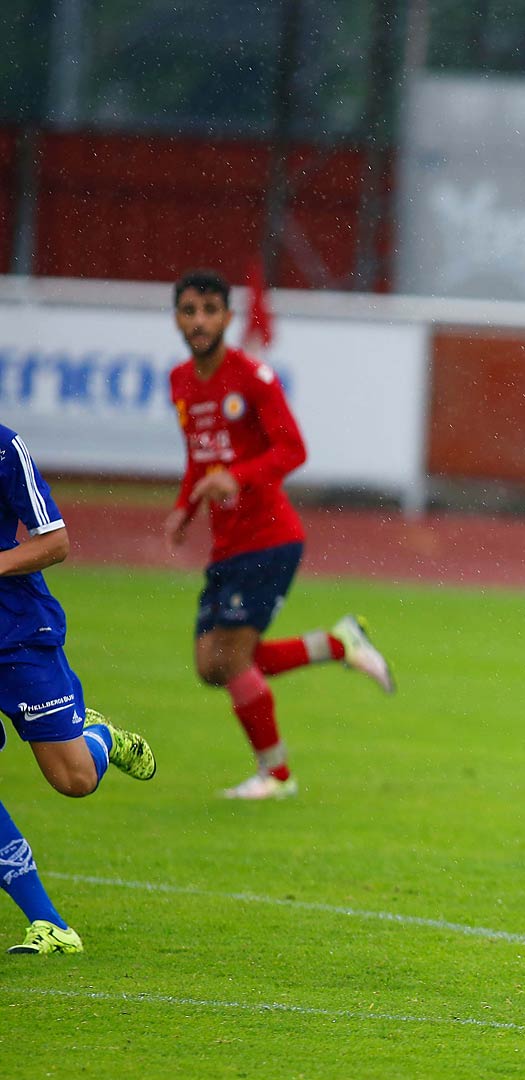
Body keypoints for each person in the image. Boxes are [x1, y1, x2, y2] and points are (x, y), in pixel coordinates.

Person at [166, 270, 395, 801]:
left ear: (227, 317)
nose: (198, 321)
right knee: (211, 665)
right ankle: (339, 643)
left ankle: (277, 776)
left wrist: (237, 477)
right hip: (229, 543)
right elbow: (197, 458)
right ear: (177, 317)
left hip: (269, 537)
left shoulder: (252, 378)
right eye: (188, 310)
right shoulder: (180, 380)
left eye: (209, 310)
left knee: (230, 659)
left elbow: (293, 450)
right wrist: (185, 508)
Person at [0, 422, 157, 954]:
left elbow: (56, 543)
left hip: (16, 632)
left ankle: (101, 739)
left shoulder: (4, 446)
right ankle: (50, 925)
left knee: (73, 780)